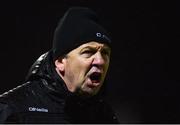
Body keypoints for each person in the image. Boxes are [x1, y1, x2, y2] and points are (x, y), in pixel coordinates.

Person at [0, 7, 119, 123]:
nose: (100, 61)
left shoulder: (104, 115)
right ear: (61, 62)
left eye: (105, 53)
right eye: (88, 52)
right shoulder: (12, 111)